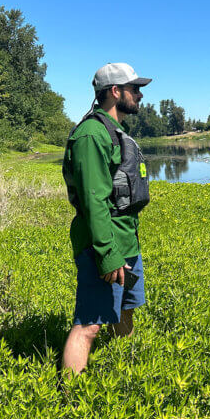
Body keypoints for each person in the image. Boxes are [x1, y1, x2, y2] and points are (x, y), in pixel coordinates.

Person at [61, 62, 152, 374]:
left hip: (125, 239)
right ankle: (70, 399)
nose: (140, 95)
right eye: (134, 89)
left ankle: (122, 374)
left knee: (126, 310)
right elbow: (93, 202)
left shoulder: (115, 132)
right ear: (116, 92)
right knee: (89, 325)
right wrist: (107, 254)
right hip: (102, 245)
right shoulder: (91, 136)